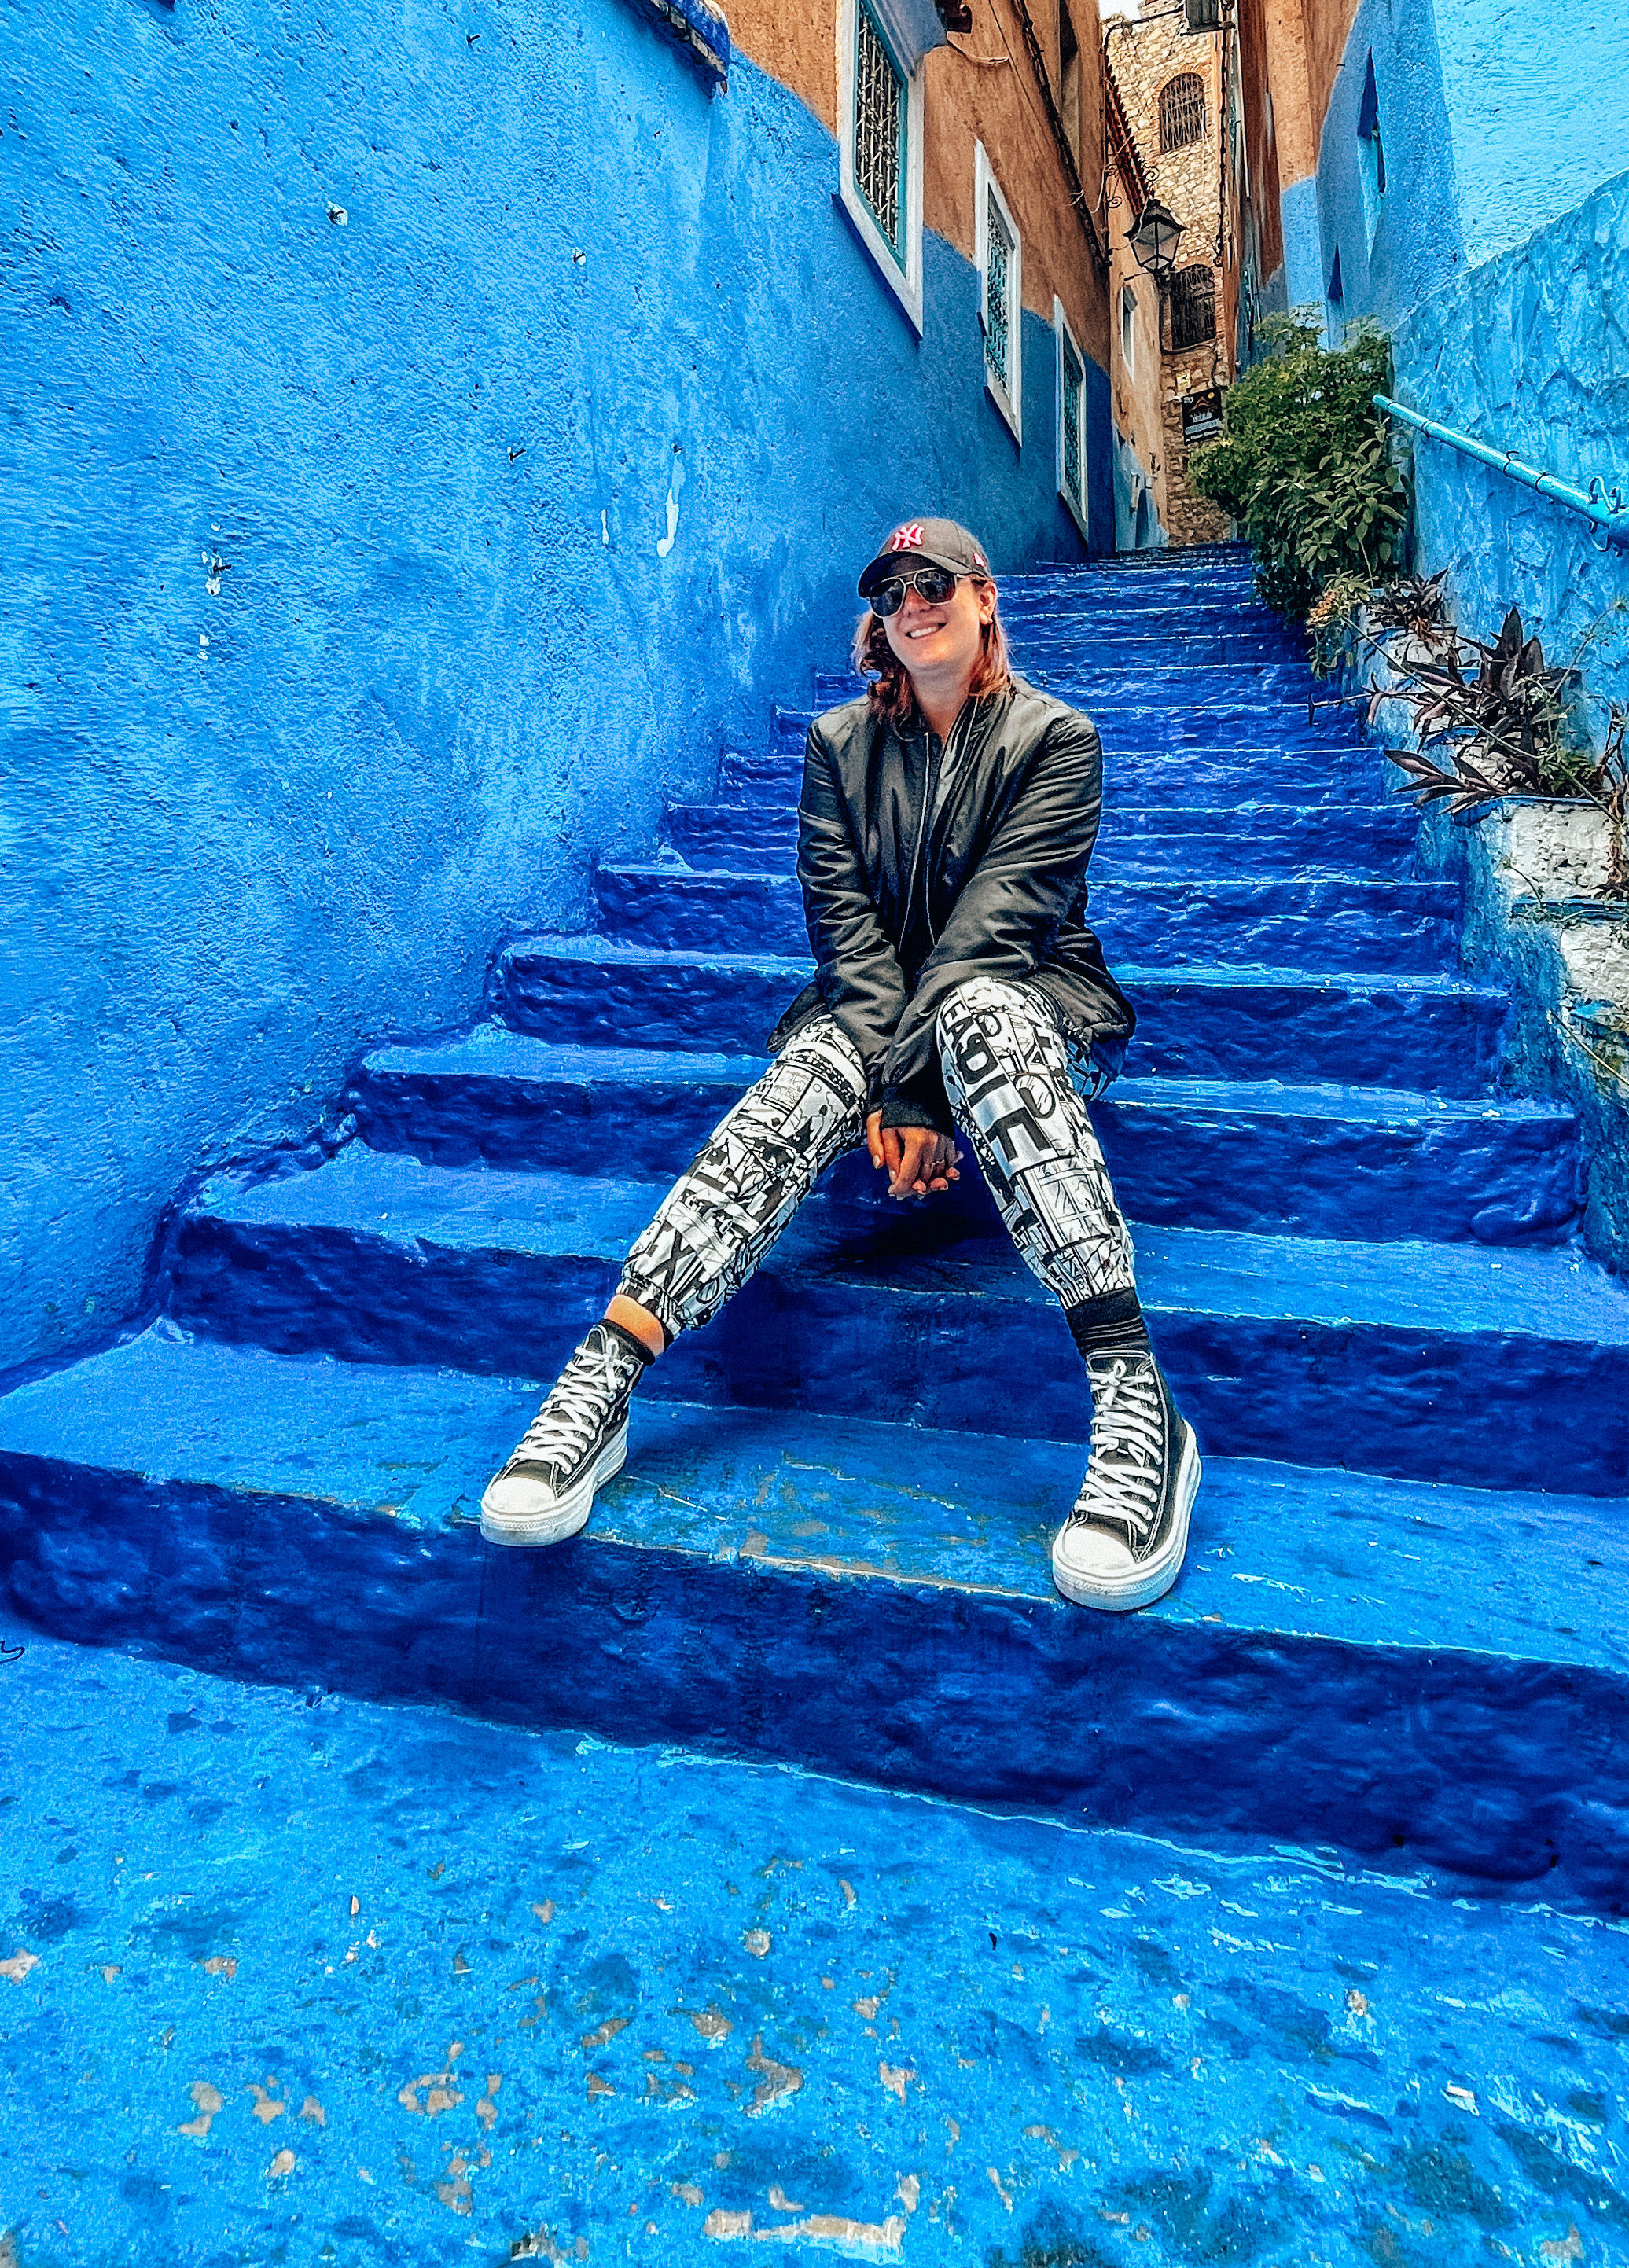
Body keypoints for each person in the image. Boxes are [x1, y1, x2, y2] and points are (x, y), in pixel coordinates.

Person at [478, 515, 1201, 1612]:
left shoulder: (1059, 741)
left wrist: (917, 1095)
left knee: (983, 1020)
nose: (913, 603)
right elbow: (847, 935)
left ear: (984, 593)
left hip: (1033, 1002)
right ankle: (606, 1376)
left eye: (934, 581)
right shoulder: (836, 748)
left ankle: (1137, 1397)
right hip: (875, 1013)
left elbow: (1001, 929)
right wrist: (891, 1077)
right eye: (892, 590)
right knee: (813, 1069)